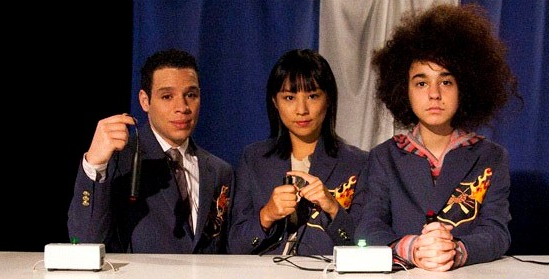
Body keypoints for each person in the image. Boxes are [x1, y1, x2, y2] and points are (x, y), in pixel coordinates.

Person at [353, 3, 521, 271]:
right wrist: (412, 248)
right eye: (421, 83)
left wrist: (456, 251)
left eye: (445, 82)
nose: (434, 94)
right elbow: (368, 228)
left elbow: (497, 233)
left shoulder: (491, 157)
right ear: (403, 90)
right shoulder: (384, 157)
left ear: (465, 87)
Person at [68, 48, 233, 253]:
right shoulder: (119, 161)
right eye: (167, 96)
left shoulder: (219, 171)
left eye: (191, 95)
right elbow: (84, 242)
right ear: (145, 101)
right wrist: (94, 165)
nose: (182, 107)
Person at [228, 49, 367, 256]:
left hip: (325, 275)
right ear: (275, 102)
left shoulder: (357, 162)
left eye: (312, 96)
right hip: (265, 274)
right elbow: (235, 247)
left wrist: (333, 208)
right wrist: (267, 215)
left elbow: (366, 246)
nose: (301, 110)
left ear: (328, 99)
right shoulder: (253, 159)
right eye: (289, 97)